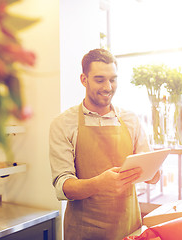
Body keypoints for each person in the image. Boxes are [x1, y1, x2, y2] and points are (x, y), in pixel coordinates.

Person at [49, 48, 160, 240]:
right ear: (84, 80)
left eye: (113, 79)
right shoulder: (63, 124)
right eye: (100, 80)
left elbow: (149, 171)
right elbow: (63, 186)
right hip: (84, 231)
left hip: (129, 228)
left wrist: (153, 173)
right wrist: (100, 183)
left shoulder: (130, 120)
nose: (108, 87)